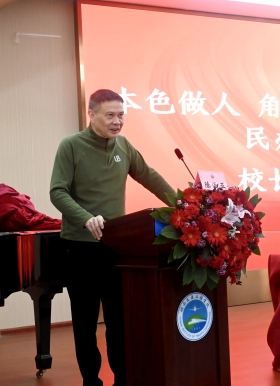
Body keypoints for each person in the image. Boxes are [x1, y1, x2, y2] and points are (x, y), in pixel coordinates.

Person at [50, 89, 174, 386]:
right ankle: (90, 380)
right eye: (110, 115)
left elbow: (150, 176)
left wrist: (184, 204)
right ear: (91, 114)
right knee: (85, 322)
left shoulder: (124, 146)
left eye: (121, 115)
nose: (117, 121)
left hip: (116, 248)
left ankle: (123, 378)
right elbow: (57, 191)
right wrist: (85, 218)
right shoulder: (71, 146)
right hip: (80, 248)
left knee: (120, 321)